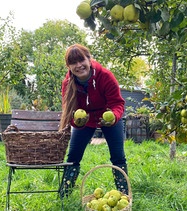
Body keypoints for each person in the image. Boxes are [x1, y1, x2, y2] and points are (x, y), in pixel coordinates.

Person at [58, 43, 128, 198]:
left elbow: (118, 103)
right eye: (73, 63)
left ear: (89, 59)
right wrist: (77, 122)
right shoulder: (67, 84)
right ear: (68, 66)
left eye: (81, 60)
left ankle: (124, 194)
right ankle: (64, 195)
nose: (78, 66)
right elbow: (69, 111)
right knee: (73, 156)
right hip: (85, 120)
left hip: (108, 115)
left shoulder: (105, 76)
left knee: (118, 156)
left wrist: (114, 117)